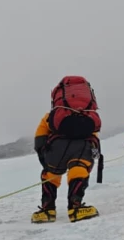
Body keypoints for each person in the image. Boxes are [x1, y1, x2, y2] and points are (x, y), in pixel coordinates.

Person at [32, 76, 101, 223]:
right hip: (82, 147)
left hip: (57, 148)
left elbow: (40, 135)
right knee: (79, 170)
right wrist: (94, 152)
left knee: (50, 173)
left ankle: (47, 210)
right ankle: (76, 207)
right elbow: (94, 134)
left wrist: (44, 155)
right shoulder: (88, 113)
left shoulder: (53, 115)